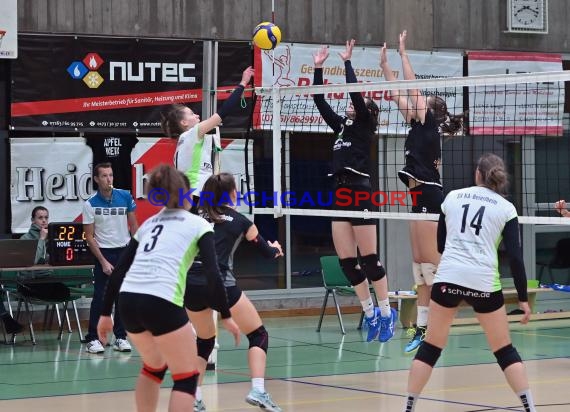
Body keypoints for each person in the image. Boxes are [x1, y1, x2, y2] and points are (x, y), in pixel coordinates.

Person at [97, 164, 240, 412]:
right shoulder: (198, 225)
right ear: (186, 193)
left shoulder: (148, 224)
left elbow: (119, 271)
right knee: (186, 377)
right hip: (161, 300)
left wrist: (104, 314)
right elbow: (213, 274)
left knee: (153, 367)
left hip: (129, 301)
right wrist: (226, 315)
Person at [402, 153, 536, 412]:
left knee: (430, 347)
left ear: (477, 174)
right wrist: (522, 299)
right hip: (483, 283)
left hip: (448, 278)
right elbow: (516, 259)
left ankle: (408, 407)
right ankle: (530, 408)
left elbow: (440, 245)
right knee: (504, 350)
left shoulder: (452, 197)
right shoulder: (506, 208)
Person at [312, 39, 397, 343]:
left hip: (360, 192)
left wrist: (347, 62)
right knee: (348, 263)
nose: (348, 106)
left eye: (355, 106)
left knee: (370, 260)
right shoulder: (341, 128)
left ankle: (387, 314)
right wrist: (318, 68)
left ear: (367, 114)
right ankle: (370, 312)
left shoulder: (363, 125)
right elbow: (320, 102)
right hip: (339, 194)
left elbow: (356, 96)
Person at [380, 30, 455, 353]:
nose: (414, 103)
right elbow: (399, 93)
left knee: (432, 266)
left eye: (421, 102)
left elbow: (410, 88)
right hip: (416, 197)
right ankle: (422, 328)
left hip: (429, 195)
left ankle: (439, 323)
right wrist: (385, 66)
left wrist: (403, 53)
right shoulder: (415, 125)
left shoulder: (429, 124)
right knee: (419, 268)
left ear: (431, 111)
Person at [186, 173, 284, 412]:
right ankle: (258, 390)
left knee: (204, 341)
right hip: (221, 283)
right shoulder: (241, 221)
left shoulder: (193, 213)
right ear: (231, 193)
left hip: (191, 285)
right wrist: (276, 249)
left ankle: (195, 397)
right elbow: (266, 253)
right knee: (258, 335)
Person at [161, 66, 254, 211]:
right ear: (183, 123)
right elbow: (223, 112)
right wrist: (242, 83)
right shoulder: (192, 134)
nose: (197, 116)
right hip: (197, 195)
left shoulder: (184, 141)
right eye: (192, 114)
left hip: (190, 196)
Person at [82, 162, 138, 354]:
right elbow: (89, 236)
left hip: (123, 251)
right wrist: (103, 261)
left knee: (122, 296)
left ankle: (120, 337)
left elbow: (134, 226)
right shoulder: (90, 204)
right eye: (104, 176)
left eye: (111, 175)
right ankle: (93, 339)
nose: (109, 179)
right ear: (97, 179)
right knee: (100, 296)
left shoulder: (125, 196)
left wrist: (134, 252)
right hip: (103, 253)